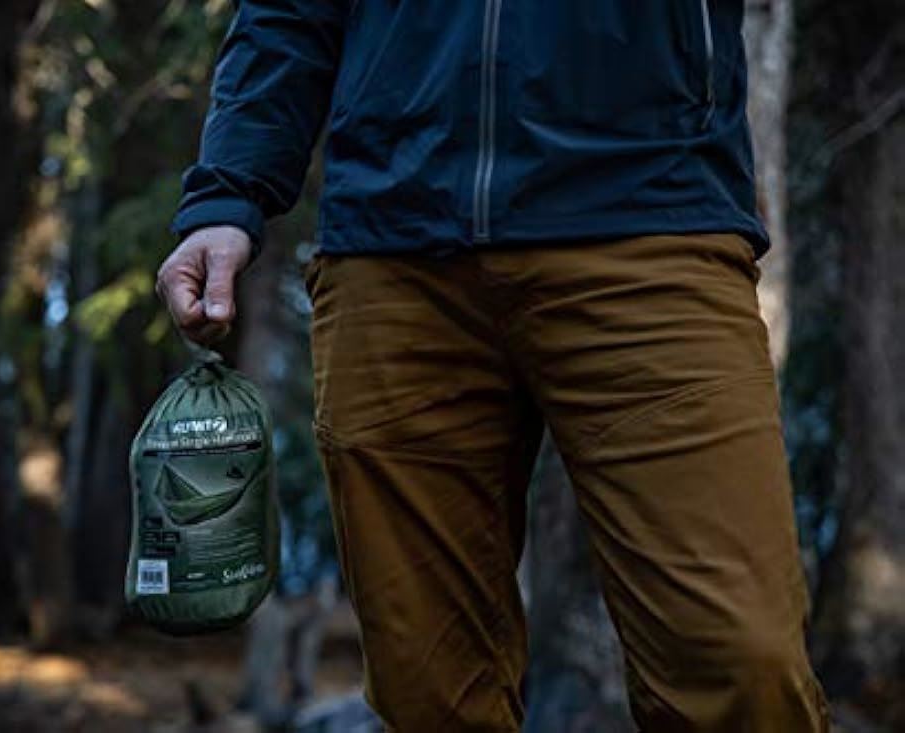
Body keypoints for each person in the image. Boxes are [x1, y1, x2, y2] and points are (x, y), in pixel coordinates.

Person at [155, 1, 830, 730]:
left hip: (651, 217)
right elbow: (287, 10)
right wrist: (228, 192)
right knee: (429, 692)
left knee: (743, 670)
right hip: (396, 244)